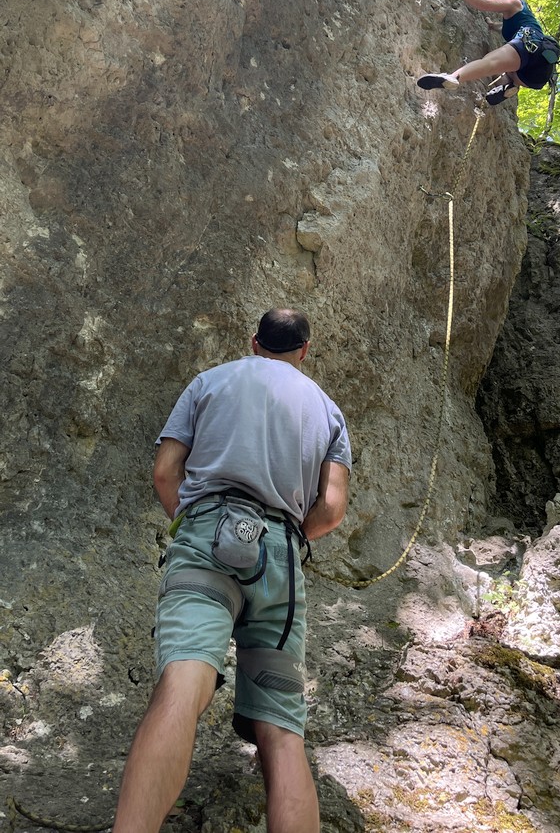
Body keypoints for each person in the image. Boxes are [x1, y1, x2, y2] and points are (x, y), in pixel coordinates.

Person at [112, 308, 352, 833]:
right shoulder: (328, 412)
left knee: (182, 684)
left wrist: (198, 524)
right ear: (304, 351)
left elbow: (164, 472)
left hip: (206, 537)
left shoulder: (209, 382)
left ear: (253, 343)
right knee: (283, 731)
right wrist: (287, 539)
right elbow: (331, 510)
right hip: (282, 559)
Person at [417, 0, 558, 103]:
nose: (495, 0)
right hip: (534, 74)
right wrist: (492, 25)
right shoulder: (521, 15)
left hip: (529, 45)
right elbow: (504, 27)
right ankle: (508, 86)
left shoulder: (512, 1)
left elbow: (485, 5)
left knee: (490, 62)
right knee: (503, 68)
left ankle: (453, 77)